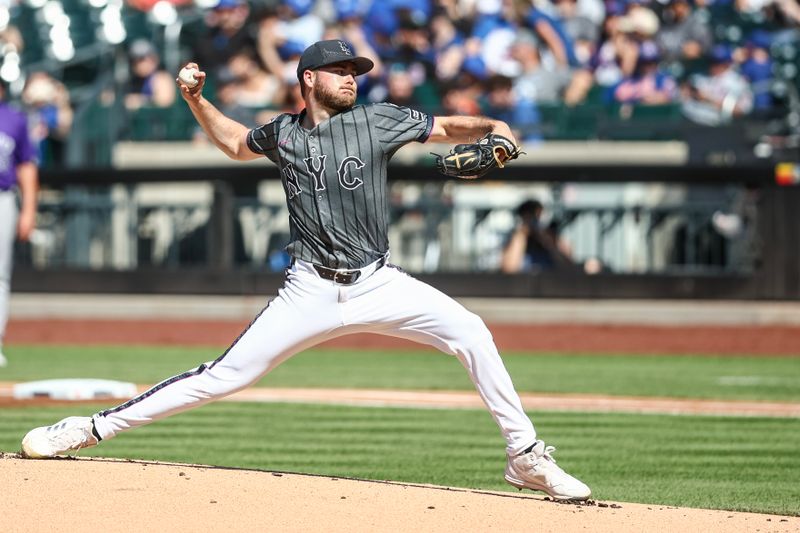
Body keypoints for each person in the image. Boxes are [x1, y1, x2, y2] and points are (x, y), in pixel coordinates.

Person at [21, 40, 591, 502]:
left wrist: (499, 131)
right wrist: (197, 99)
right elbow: (235, 144)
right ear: (309, 80)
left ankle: (526, 458)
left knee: (471, 330)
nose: (351, 78)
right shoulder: (283, 133)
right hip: (308, 289)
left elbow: (452, 127)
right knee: (222, 377)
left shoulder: (380, 120)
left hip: (378, 281)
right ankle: (89, 429)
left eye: (354, 70)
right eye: (339, 70)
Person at [0, 80, 39, 367]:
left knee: (0, 277)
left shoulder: (14, 119)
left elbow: (26, 166)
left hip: (3, 197)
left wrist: (28, 210)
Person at [500, 199, 574, 273]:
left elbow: (567, 265)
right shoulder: (515, 239)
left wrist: (546, 238)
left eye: (538, 216)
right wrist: (521, 236)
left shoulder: (552, 237)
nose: (534, 221)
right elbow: (509, 269)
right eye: (528, 216)